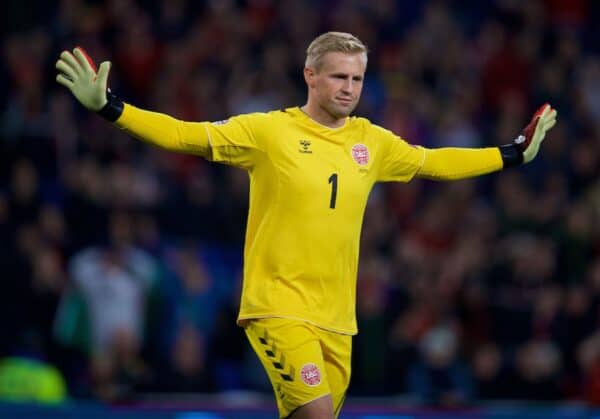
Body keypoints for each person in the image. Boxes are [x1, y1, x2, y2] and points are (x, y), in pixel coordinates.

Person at [55, 32, 557, 418]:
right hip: (278, 307)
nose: (349, 89)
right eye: (339, 77)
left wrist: (510, 154)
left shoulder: (372, 141)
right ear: (310, 76)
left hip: (337, 319)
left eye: (357, 79)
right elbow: (186, 135)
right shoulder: (269, 131)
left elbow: (434, 162)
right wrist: (112, 108)